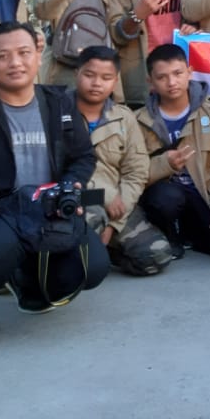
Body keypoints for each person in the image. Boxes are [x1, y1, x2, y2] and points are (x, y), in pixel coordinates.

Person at [0, 22, 109, 353]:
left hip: (43, 210)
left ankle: (29, 285)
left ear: (38, 55)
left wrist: (70, 185)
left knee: (92, 265)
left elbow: (83, 156)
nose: (15, 62)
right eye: (3, 56)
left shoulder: (59, 104)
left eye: (24, 52)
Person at [133, 44, 210, 262]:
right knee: (166, 197)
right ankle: (169, 234)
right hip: (164, 197)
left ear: (189, 72)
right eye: (162, 77)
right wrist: (165, 164)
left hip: (203, 195)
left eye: (178, 73)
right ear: (150, 81)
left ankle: (190, 234)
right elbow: (133, 173)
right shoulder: (137, 120)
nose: (171, 82)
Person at [73, 46, 171, 277]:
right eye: (89, 75)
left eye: (106, 77)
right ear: (77, 73)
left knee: (157, 255)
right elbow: (63, 165)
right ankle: (84, 259)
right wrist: (105, 194)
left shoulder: (124, 117)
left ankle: (106, 252)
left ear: (115, 80)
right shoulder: (58, 112)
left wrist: (114, 224)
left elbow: (136, 172)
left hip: (118, 203)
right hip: (77, 197)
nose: (97, 83)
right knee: (91, 221)